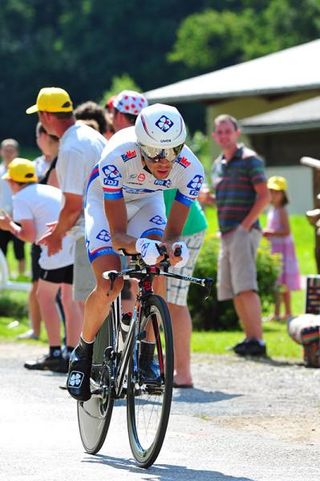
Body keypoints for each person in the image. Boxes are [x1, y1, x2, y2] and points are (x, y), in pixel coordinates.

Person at [66, 103, 205, 401]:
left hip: (147, 201)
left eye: (173, 150)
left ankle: (148, 355)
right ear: (140, 145)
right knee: (109, 283)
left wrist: (172, 249)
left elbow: (171, 236)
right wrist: (139, 245)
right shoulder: (117, 156)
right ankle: (83, 351)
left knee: (158, 264)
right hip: (105, 201)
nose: (164, 161)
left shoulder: (191, 169)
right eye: (155, 152)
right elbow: (117, 237)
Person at [25, 87, 107, 308]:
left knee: (90, 307)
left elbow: (72, 207)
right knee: (107, 306)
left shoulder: (70, 148)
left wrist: (55, 237)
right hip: (111, 226)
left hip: (91, 236)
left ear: (47, 116)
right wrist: (60, 227)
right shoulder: (91, 135)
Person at [0, 158, 82, 372]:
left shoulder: (21, 198)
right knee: (69, 300)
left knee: (44, 297)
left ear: (13, 182)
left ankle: (55, 352)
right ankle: (71, 354)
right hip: (74, 247)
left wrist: (9, 226)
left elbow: (28, 235)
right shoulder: (46, 190)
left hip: (54, 251)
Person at [211, 114, 270, 357]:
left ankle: (258, 341)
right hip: (226, 232)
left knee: (245, 286)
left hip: (243, 232)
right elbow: (225, 199)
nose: (224, 135)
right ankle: (249, 338)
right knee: (233, 288)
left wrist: (245, 227)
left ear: (237, 132)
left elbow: (264, 196)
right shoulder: (218, 164)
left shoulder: (250, 159)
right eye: (220, 132)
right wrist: (209, 200)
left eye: (228, 131)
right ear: (215, 136)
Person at [18, 123, 61, 340]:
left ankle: (61, 344)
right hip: (44, 235)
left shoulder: (61, 162)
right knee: (39, 288)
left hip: (53, 235)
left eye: (38, 136)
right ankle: (39, 332)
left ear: (45, 135)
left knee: (51, 292)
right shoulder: (37, 165)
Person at [164, 189, 208, 387]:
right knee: (161, 299)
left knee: (175, 302)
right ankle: (166, 368)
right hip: (162, 229)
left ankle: (182, 373)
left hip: (185, 230)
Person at [263, 176, 301, 321]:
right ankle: (279, 313)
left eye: (276, 192)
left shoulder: (282, 211)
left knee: (282, 283)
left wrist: (270, 232)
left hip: (283, 250)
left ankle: (285, 312)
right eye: (271, 191)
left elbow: (286, 231)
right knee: (278, 283)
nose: (273, 195)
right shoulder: (272, 210)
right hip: (276, 249)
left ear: (283, 194)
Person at [0, 138, 26, 277]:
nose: (8, 153)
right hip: (2, 217)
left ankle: (21, 275)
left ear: (16, 152)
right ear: (1, 151)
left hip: (19, 217)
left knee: (19, 248)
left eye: (11, 150)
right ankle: (4, 276)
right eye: (6, 149)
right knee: (1, 248)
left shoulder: (23, 173)